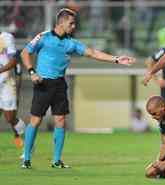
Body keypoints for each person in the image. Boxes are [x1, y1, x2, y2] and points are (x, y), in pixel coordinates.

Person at [20, 8, 136, 169]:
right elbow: (25, 52)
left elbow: (92, 53)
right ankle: (26, 158)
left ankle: (56, 160)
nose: (74, 26)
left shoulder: (71, 43)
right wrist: (32, 72)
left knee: (60, 121)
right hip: (43, 83)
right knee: (36, 120)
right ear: (61, 22)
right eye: (71, 23)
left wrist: (116, 59)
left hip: (59, 84)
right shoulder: (44, 37)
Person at [0, 32, 25, 149]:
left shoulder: (6, 37)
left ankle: (28, 143)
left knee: (10, 118)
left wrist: (18, 92)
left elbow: (14, 62)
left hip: (7, 84)